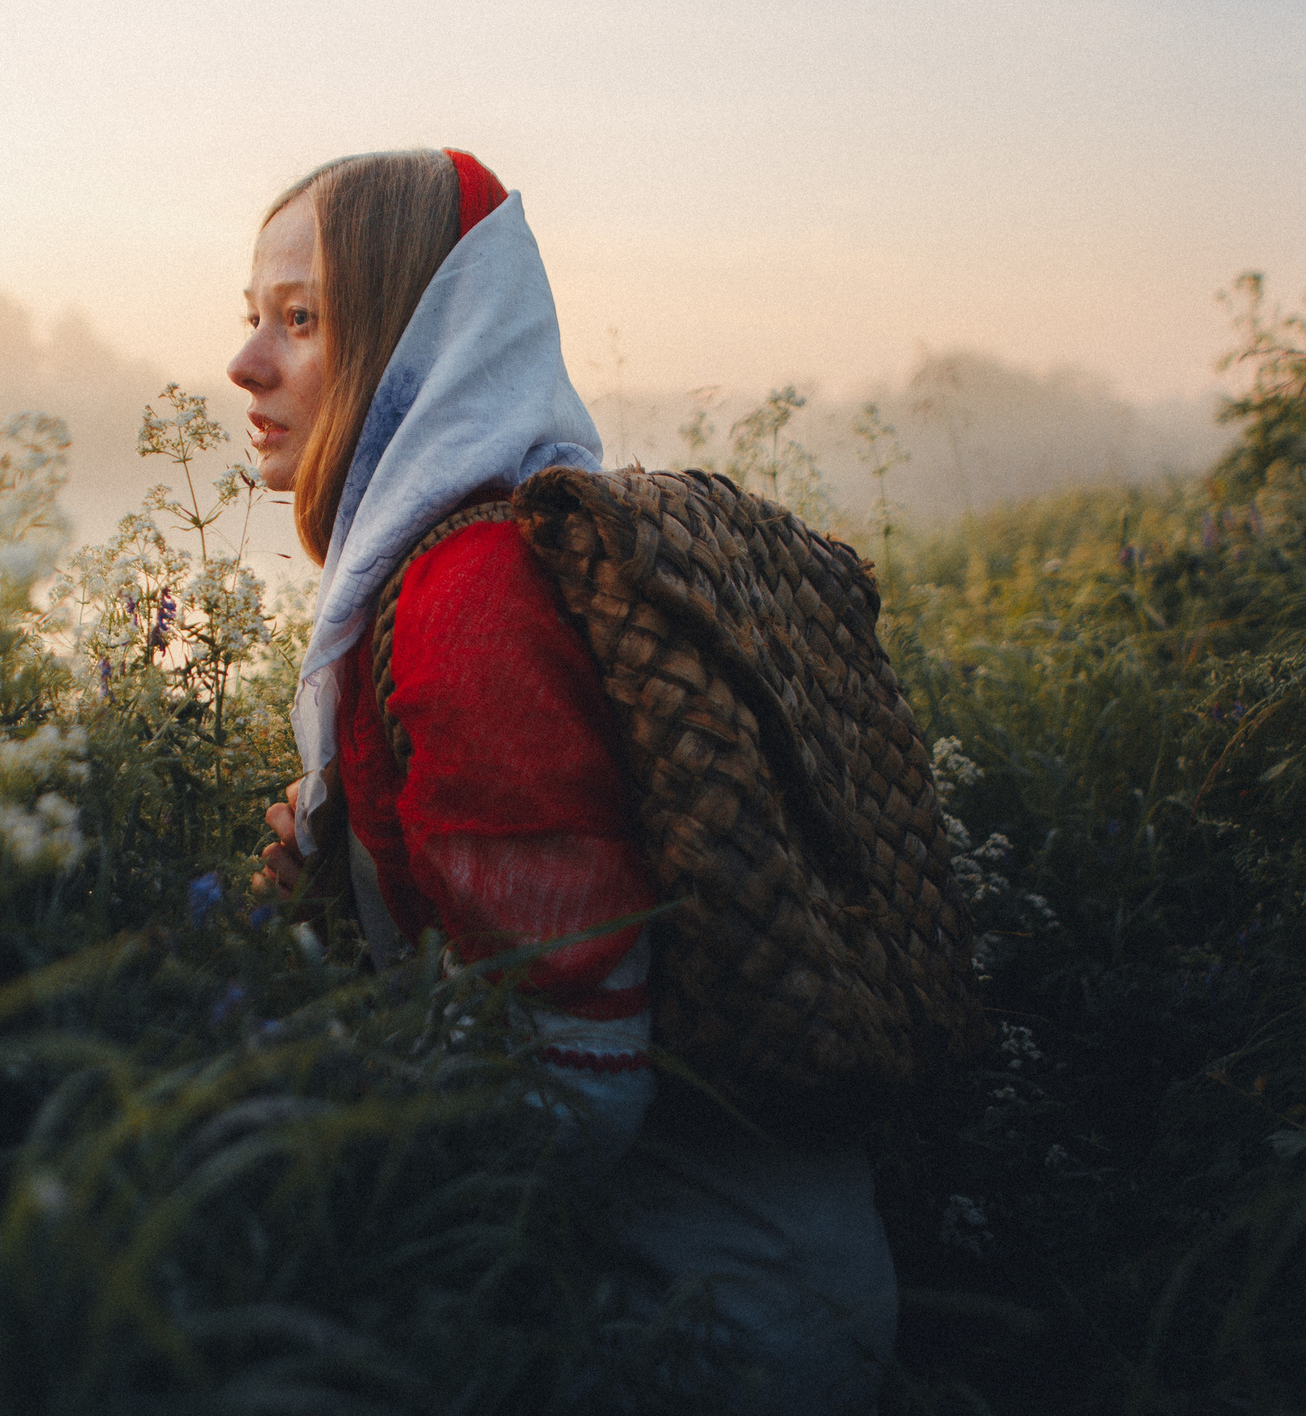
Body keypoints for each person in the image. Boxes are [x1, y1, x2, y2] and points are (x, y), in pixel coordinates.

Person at [234, 149, 897, 1414]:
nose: (246, 363)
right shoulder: (485, 546)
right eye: (252, 316)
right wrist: (344, 892)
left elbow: (569, 1085)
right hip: (736, 1284)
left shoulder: (469, 600)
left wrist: (304, 1176)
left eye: (302, 320)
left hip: (697, 1324)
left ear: (417, 338)